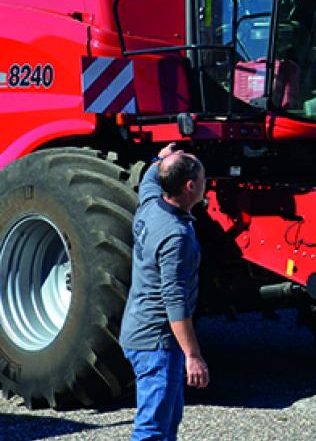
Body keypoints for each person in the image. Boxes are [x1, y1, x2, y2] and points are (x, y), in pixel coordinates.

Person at [120, 143, 209, 441]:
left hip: (137, 331)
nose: (206, 184)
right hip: (156, 342)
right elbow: (175, 301)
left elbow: (148, 178)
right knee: (152, 430)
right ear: (190, 186)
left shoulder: (150, 204)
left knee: (167, 422)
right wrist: (193, 355)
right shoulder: (176, 235)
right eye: (204, 178)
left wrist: (161, 157)